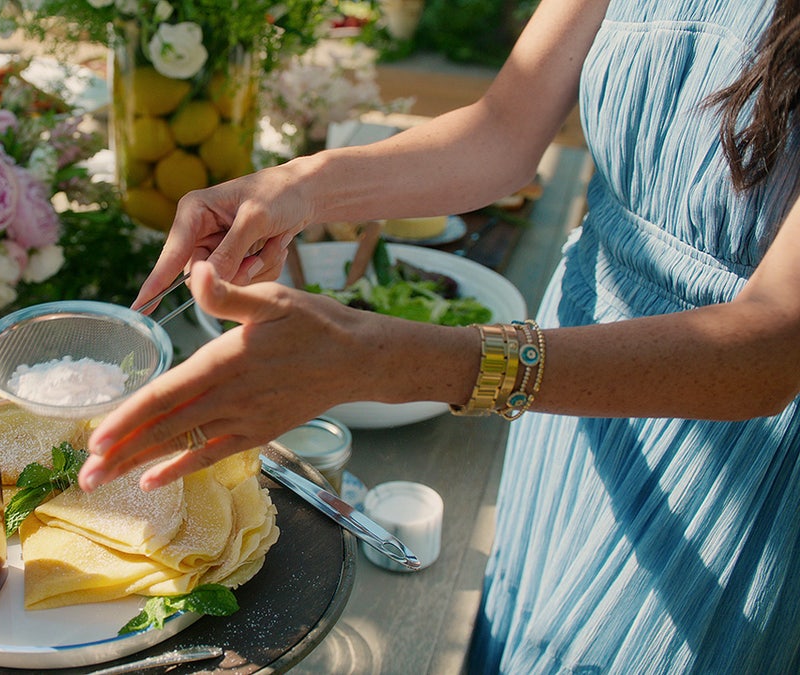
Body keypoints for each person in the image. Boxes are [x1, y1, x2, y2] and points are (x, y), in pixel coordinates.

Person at [77, 0, 800, 671]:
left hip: (725, 444)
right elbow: (504, 133)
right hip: (572, 384)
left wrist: (385, 359)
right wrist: (297, 187)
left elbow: (773, 347)